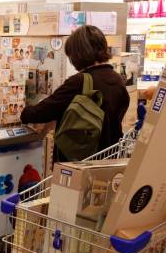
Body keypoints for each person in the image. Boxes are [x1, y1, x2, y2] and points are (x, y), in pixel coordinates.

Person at [20, 25, 130, 163]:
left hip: (78, 161)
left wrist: (22, 112)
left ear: (78, 54)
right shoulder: (117, 79)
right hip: (109, 157)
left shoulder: (80, 81)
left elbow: (43, 111)